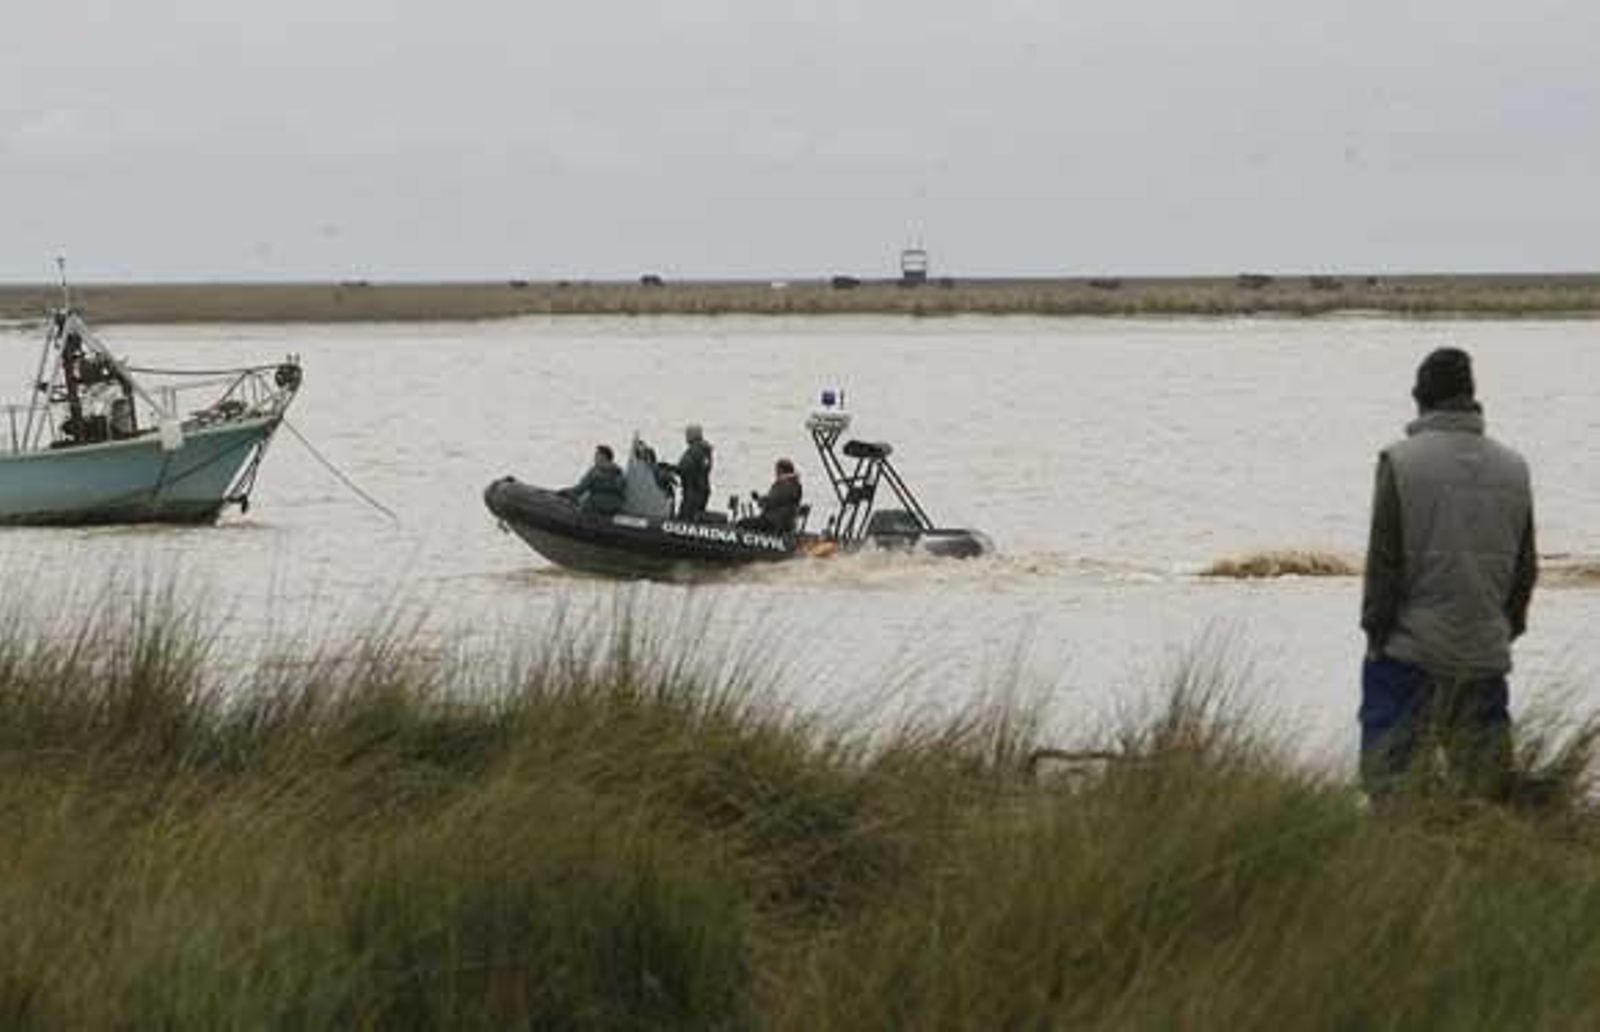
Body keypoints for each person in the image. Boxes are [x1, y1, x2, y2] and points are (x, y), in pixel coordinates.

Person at [1359, 347, 1537, 804]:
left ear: (1420, 398)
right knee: (1489, 797)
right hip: (1483, 655)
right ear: (1471, 397)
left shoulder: (1399, 462)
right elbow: (1525, 570)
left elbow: (1384, 568)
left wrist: (1376, 637)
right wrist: (1503, 630)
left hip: (1406, 657)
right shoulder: (1515, 468)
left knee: (1391, 791)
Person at [558, 444, 627, 515]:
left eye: (598, 456)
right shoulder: (614, 471)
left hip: (601, 503)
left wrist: (566, 492)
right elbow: (581, 487)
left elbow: (581, 488)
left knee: (584, 504)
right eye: (596, 456)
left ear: (605, 458)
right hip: (608, 504)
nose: (595, 459)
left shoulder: (603, 471)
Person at [739, 458, 803, 534]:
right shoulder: (790, 484)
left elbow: (773, 501)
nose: (776, 473)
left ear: (782, 471)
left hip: (776, 522)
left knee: (743, 523)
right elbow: (774, 500)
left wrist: (761, 501)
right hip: (778, 520)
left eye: (777, 471)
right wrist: (760, 499)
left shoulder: (787, 485)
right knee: (747, 522)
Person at [670, 424, 714, 520]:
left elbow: (685, 468)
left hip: (693, 491)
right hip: (702, 491)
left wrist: (669, 468)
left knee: (685, 518)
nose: (686, 436)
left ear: (693, 435)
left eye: (688, 433)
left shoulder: (695, 450)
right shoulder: (705, 450)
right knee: (693, 516)